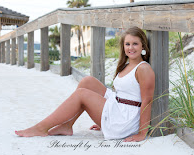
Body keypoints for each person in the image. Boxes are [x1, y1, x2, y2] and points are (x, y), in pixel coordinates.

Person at [15, 26, 155, 142]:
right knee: (87, 81)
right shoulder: (125, 65)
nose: (131, 48)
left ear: (143, 45)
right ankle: (67, 125)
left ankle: (41, 128)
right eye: (127, 44)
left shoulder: (143, 69)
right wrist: (101, 113)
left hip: (124, 119)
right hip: (117, 107)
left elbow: (147, 101)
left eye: (135, 44)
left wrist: (142, 134)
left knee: (82, 94)